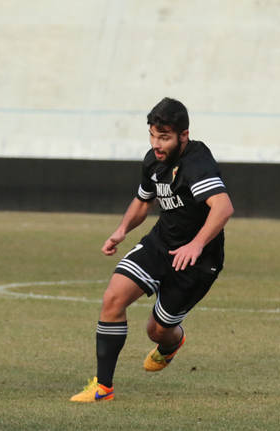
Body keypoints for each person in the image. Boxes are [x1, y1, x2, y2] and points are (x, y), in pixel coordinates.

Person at [70, 97, 234, 402]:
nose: (157, 144)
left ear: (184, 135)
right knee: (113, 298)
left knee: (157, 331)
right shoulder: (154, 160)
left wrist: (196, 244)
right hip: (159, 245)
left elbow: (223, 208)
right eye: (153, 135)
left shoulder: (197, 163)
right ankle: (103, 388)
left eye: (165, 138)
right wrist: (121, 230)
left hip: (198, 262)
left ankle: (172, 343)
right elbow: (144, 200)